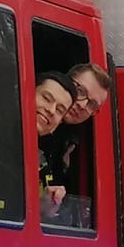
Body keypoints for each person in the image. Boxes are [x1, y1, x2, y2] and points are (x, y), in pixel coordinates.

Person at [40, 62, 112, 212]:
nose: (83, 105)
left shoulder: (70, 145)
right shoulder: (33, 123)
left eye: (92, 105)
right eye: (80, 91)